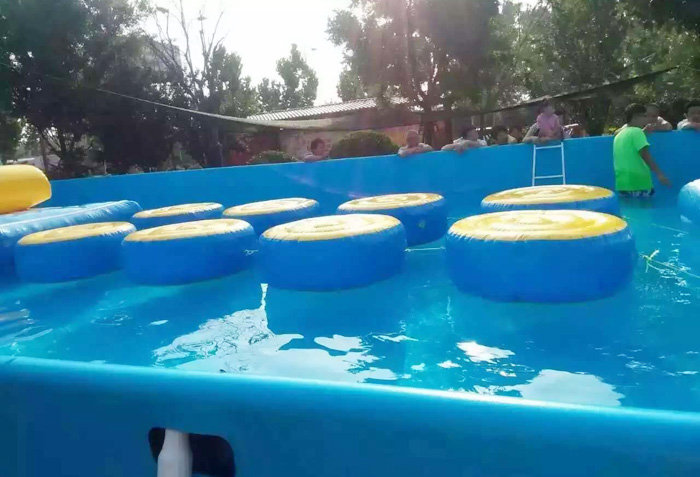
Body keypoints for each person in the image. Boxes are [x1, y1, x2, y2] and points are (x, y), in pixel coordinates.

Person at [613, 103, 671, 198]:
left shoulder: (619, 135)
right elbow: (645, 155)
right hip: (640, 183)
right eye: (644, 116)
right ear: (636, 116)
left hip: (622, 184)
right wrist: (659, 173)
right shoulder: (637, 132)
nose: (646, 119)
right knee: (647, 207)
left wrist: (643, 133)